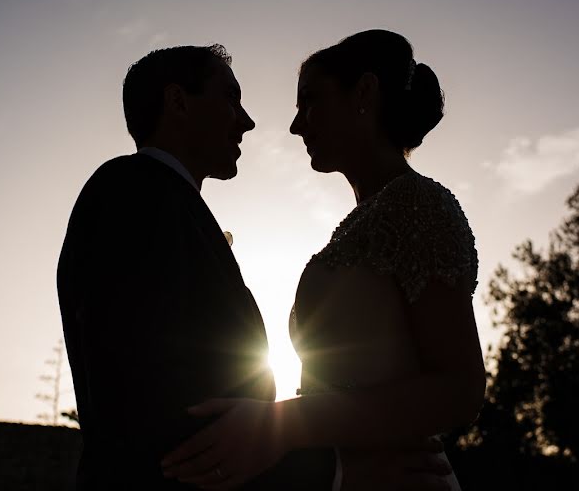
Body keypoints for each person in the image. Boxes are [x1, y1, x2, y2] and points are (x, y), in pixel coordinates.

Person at [58, 43, 454, 490]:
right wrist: (332, 472)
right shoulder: (130, 192)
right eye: (230, 97)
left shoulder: (167, 205)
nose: (248, 121)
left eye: (310, 101)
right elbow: (147, 398)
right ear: (178, 102)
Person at [160, 30, 485, 491]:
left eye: (309, 100)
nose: (296, 125)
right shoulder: (361, 223)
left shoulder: (420, 206)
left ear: (365, 93)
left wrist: (284, 425)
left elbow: (460, 388)